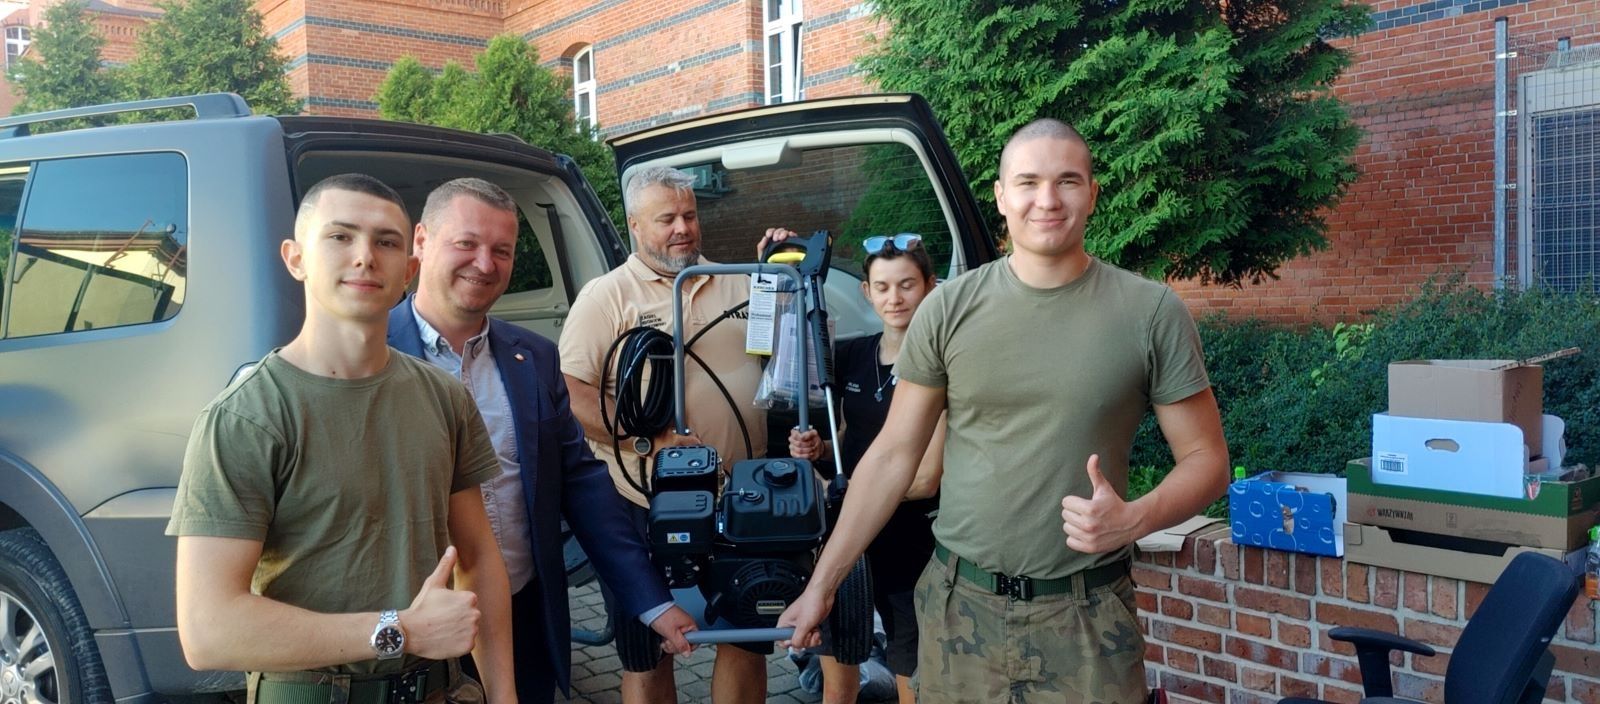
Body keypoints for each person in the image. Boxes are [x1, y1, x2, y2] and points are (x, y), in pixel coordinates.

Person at [777, 119, 1230, 701]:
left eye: (1068, 181)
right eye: (1028, 182)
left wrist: (1136, 517)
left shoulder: (1150, 312)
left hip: (1086, 617)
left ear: (1093, 193)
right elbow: (892, 456)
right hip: (959, 611)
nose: (1047, 199)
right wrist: (822, 586)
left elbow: (1207, 459)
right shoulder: (948, 309)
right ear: (1000, 195)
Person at [167, 173, 518, 704]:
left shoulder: (444, 398)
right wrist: (398, 630)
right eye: (340, 236)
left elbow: (480, 560)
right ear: (295, 258)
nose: (365, 257)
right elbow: (208, 630)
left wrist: (504, 694)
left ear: (409, 269)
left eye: (387, 242)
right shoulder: (245, 418)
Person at [387, 178, 698, 704]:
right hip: (413, 628)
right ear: (421, 241)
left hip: (523, 615)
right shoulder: (369, 354)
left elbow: (581, 483)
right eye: (466, 243)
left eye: (502, 250)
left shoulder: (532, 356)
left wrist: (652, 602)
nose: (484, 263)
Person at [560, 165, 780, 703]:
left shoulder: (738, 279)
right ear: (635, 226)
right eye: (667, 219)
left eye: (690, 215)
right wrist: (650, 442)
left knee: (745, 639)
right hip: (642, 503)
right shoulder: (607, 296)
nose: (683, 228)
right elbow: (567, 391)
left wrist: (774, 274)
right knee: (649, 651)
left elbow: (778, 357)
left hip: (738, 496)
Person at [786, 234, 946, 704]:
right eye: (882, 287)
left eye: (907, 285)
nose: (894, 298)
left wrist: (851, 487)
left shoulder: (941, 365)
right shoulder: (854, 355)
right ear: (866, 292)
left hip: (911, 544)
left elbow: (926, 477)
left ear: (930, 286)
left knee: (910, 674)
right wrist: (819, 450)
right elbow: (845, 437)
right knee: (839, 671)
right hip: (849, 537)